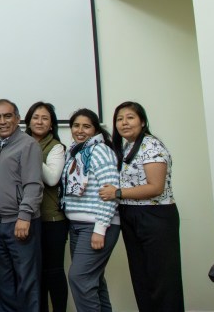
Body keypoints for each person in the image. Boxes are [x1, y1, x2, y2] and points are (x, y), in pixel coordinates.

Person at [99, 102, 184, 312]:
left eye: (130, 117)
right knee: (142, 278)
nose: (124, 123)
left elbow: (155, 187)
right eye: (119, 119)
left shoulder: (151, 145)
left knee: (162, 280)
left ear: (142, 121)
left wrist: (117, 193)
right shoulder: (126, 147)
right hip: (131, 214)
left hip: (155, 216)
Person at [0, 98, 43, 312]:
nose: (2, 121)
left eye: (7, 116)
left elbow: (33, 184)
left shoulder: (28, 145)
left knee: (27, 282)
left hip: (19, 223)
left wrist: (24, 216)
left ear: (17, 119)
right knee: (4, 284)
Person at [63, 109, 119, 312]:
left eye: (86, 126)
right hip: (77, 225)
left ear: (95, 130)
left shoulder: (100, 150)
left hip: (96, 224)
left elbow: (111, 191)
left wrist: (100, 228)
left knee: (79, 278)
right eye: (76, 125)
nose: (80, 130)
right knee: (93, 280)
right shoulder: (74, 152)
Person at [24, 102, 68, 312]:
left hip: (52, 220)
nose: (39, 122)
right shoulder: (20, 144)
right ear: (28, 121)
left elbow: (51, 178)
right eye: (35, 117)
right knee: (36, 273)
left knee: (54, 271)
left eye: (44, 118)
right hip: (28, 218)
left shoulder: (56, 147)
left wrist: (31, 151)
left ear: (51, 124)